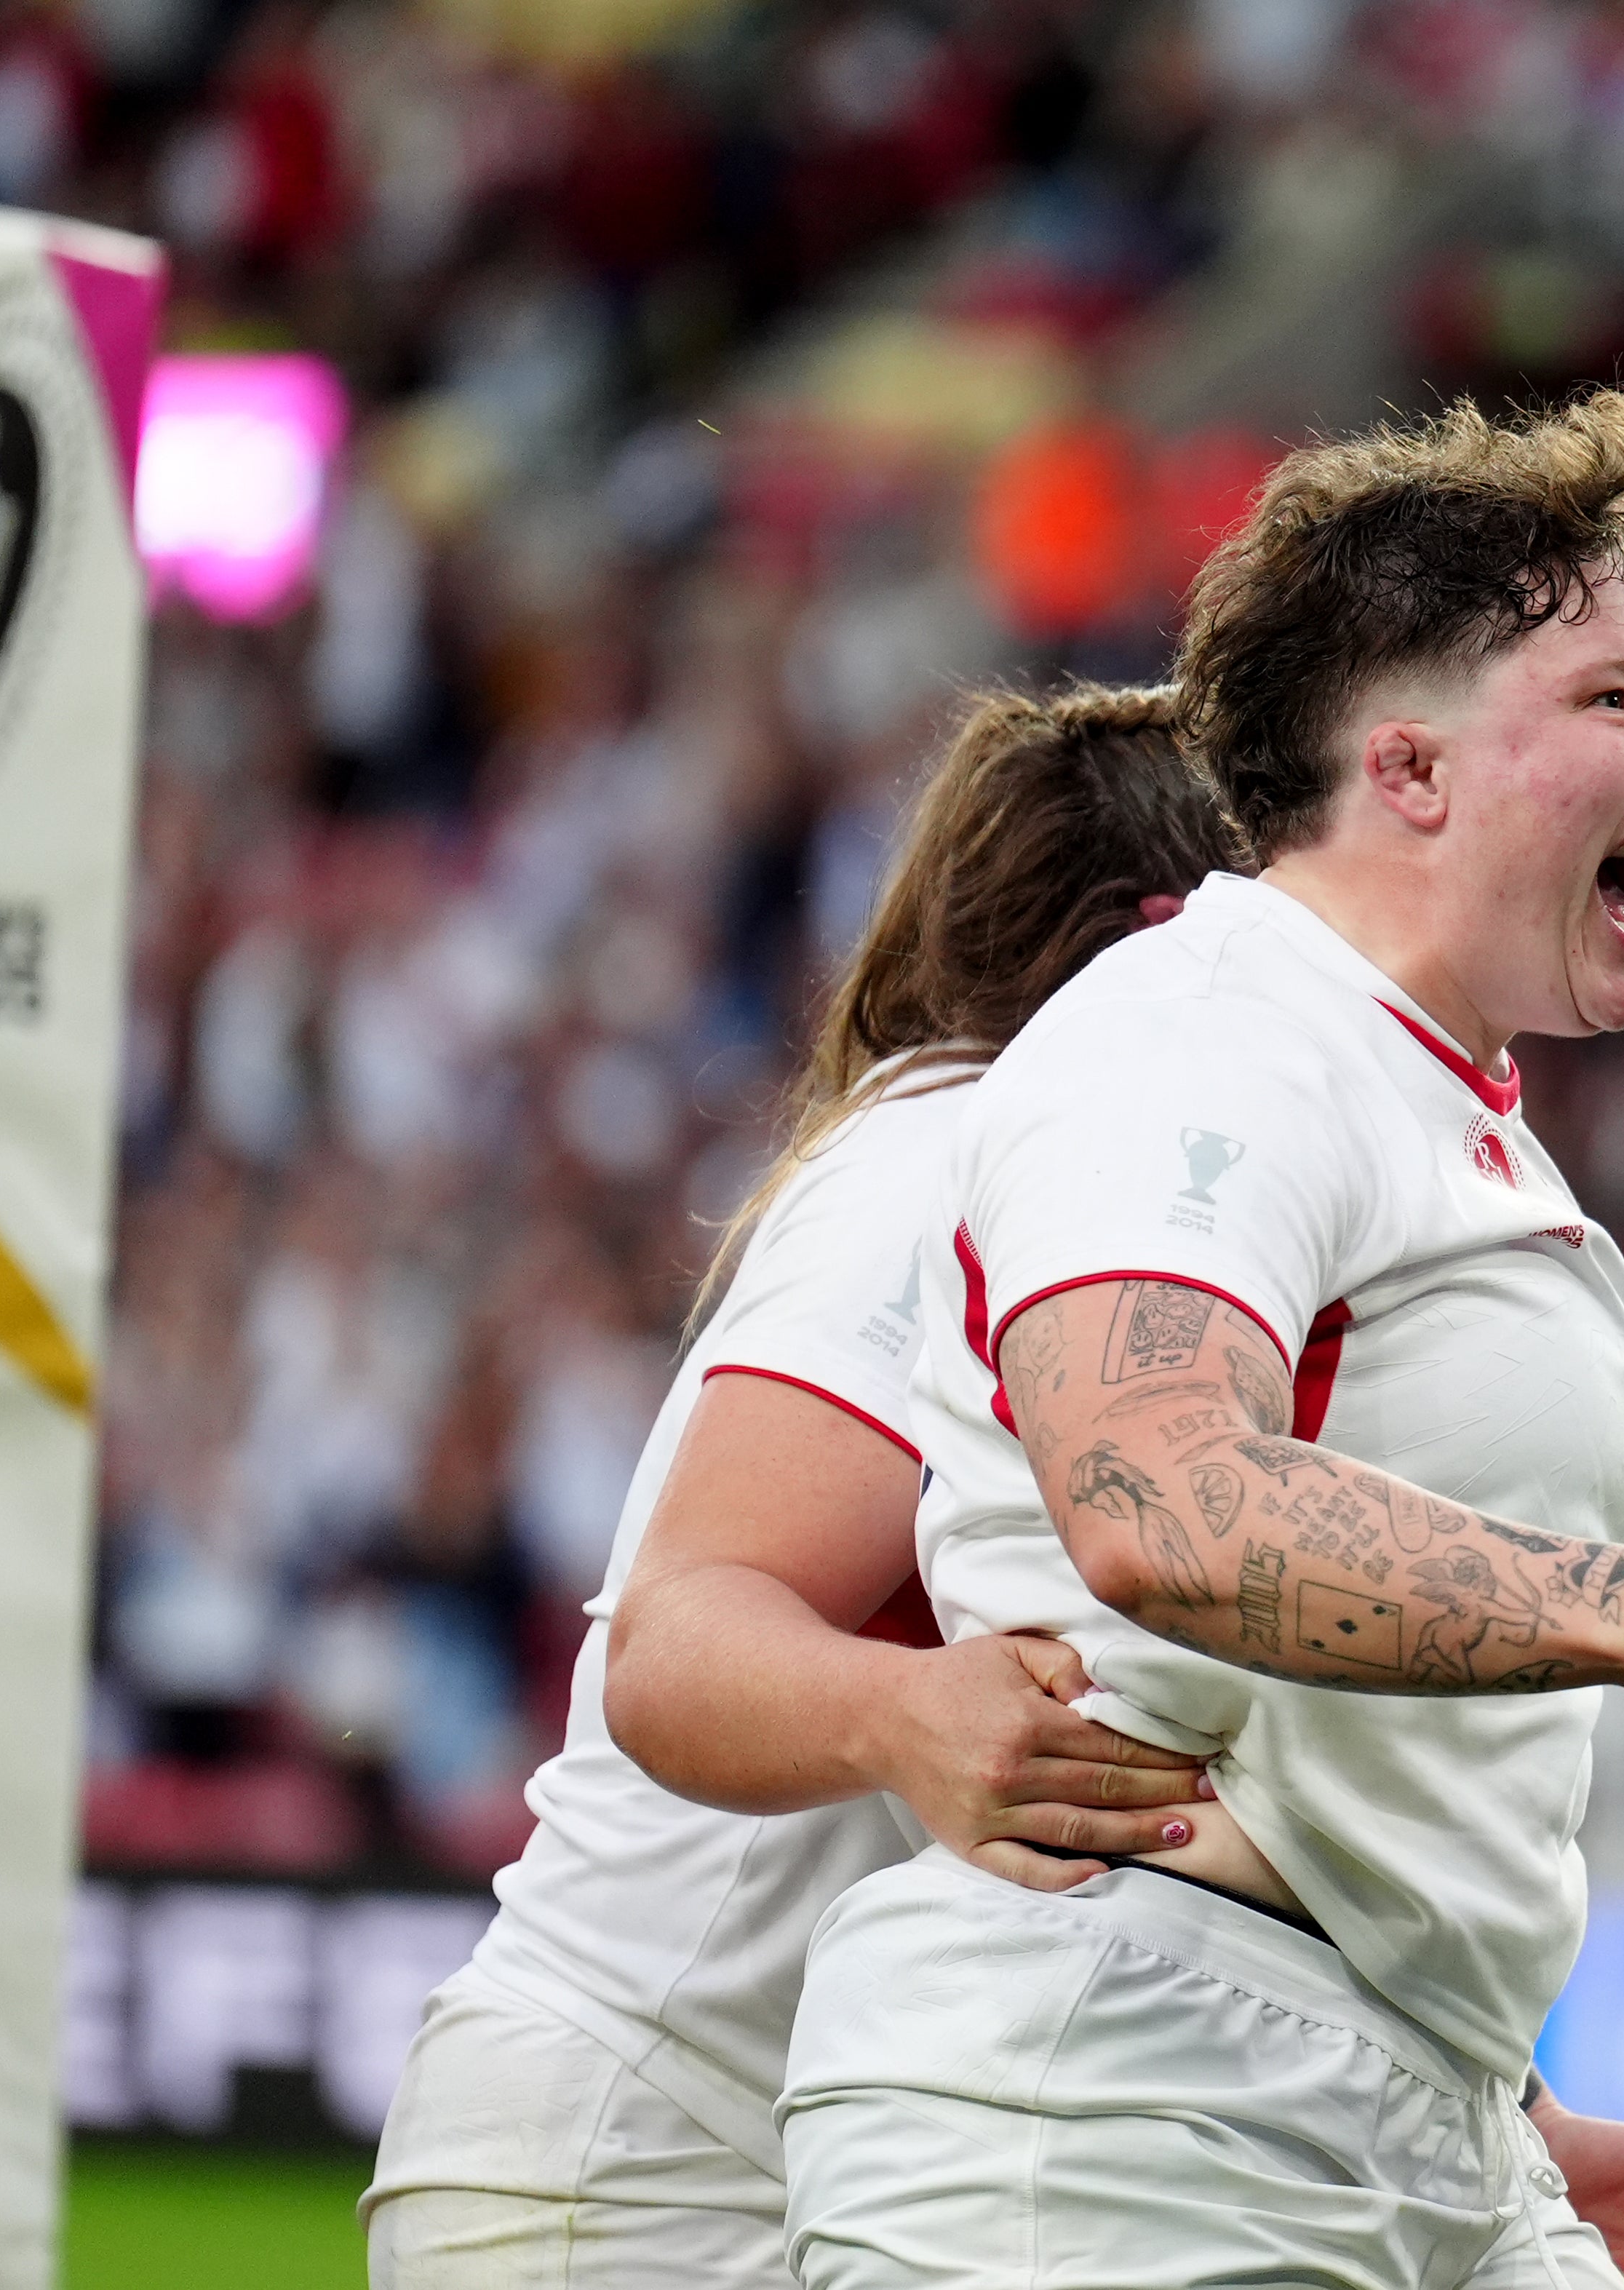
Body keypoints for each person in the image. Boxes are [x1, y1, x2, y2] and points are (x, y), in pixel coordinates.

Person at [771, 389, 1624, 2290]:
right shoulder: (1206, 1031)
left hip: (1380, 2098)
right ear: (1413, 769)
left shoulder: (1428, 1098)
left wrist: (1496, 2124)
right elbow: (1159, 1500)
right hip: (1122, 2117)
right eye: (1613, 698)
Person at [362, 685, 1243, 2288]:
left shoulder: (1081, 1198)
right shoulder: (952, 1158)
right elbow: (674, 1646)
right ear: (1159, 939)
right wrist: (908, 1715)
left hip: (775, 2154)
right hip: (637, 2164)